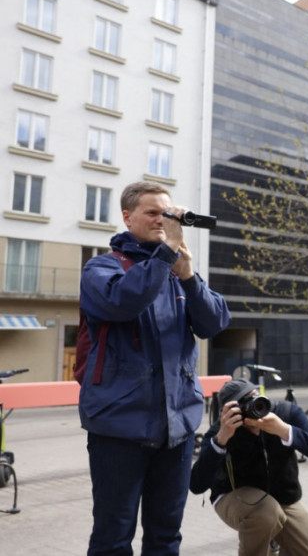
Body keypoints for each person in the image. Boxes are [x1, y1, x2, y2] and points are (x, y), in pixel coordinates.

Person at [79, 181, 232, 554]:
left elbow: (214, 324)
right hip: (120, 428)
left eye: (167, 212)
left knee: (166, 536)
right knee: (113, 537)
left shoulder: (176, 272)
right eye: (152, 213)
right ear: (127, 216)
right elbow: (123, 301)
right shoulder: (102, 268)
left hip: (176, 430)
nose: (162, 220)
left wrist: (190, 278)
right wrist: (165, 254)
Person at [189, 379, 308, 556]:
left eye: (255, 399)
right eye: (244, 404)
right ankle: (266, 540)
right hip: (234, 496)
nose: (253, 408)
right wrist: (221, 440)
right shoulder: (223, 429)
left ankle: (273, 540)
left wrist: (283, 430)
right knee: (267, 514)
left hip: (282, 498)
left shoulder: (284, 413)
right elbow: (196, 485)